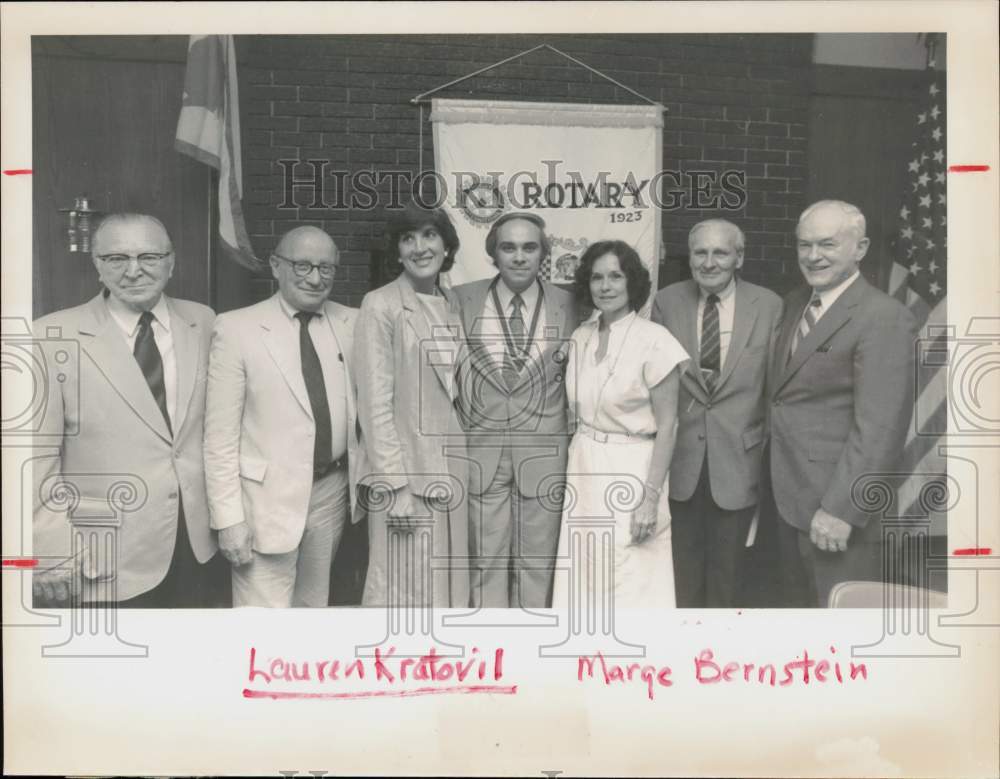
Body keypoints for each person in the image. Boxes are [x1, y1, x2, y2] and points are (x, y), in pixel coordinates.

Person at [32, 212, 227, 607]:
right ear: (97, 265)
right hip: (103, 555)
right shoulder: (49, 336)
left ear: (171, 262)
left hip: (197, 547)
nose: (134, 271)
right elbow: (35, 457)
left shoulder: (204, 323)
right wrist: (49, 549)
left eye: (149, 257)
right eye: (117, 259)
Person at [767, 200, 917, 607]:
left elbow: (881, 428)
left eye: (827, 244)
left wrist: (843, 510)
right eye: (804, 245)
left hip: (837, 514)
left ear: (861, 248)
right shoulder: (794, 304)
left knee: (844, 640)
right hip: (787, 503)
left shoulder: (883, 316)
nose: (813, 256)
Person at [204, 226, 361, 608]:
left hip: (331, 492)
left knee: (312, 609)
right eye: (302, 265)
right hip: (263, 502)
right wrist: (228, 520)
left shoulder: (353, 323)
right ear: (276, 266)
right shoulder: (236, 328)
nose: (314, 277)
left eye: (326, 268)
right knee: (263, 623)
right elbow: (219, 437)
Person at [651, 219, 782, 607]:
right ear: (689, 257)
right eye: (700, 252)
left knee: (730, 576)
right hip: (681, 461)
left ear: (738, 258)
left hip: (739, 460)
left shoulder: (769, 306)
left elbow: (775, 388)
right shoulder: (667, 301)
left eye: (720, 253)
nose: (709, 262)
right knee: (679, 574)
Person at [553, 240, 688, 609]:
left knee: (631, 576)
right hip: (583, 464)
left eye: (616, 276)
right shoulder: (580, 336)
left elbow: (669, 426)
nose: (605, 286)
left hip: (633, 467)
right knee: (583, 572)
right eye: (597, 277)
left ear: (633, 283)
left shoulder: (655, 341)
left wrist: (650, 497)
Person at [453, 212, 577, 608]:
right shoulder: (459, 299)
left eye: (529, 247)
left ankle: (531, 648)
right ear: (493, 253)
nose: (519, 257)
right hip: (481, 451)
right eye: (509, 247)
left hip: (544, 455)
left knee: (538, 565)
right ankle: (489, 651)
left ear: (543, 253)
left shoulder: (572, 305)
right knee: (484, 563)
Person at [354, 204, 469, 608]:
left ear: (446, 245)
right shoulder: (380, 305)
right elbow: (374, 404)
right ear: (397, 251)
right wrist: (395, 487)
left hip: (450, 473)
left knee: (439, 595)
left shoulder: (452, 303)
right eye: (408, 238)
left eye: (429, 235)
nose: (420, 247)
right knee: (400, 594)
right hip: (406, 477)